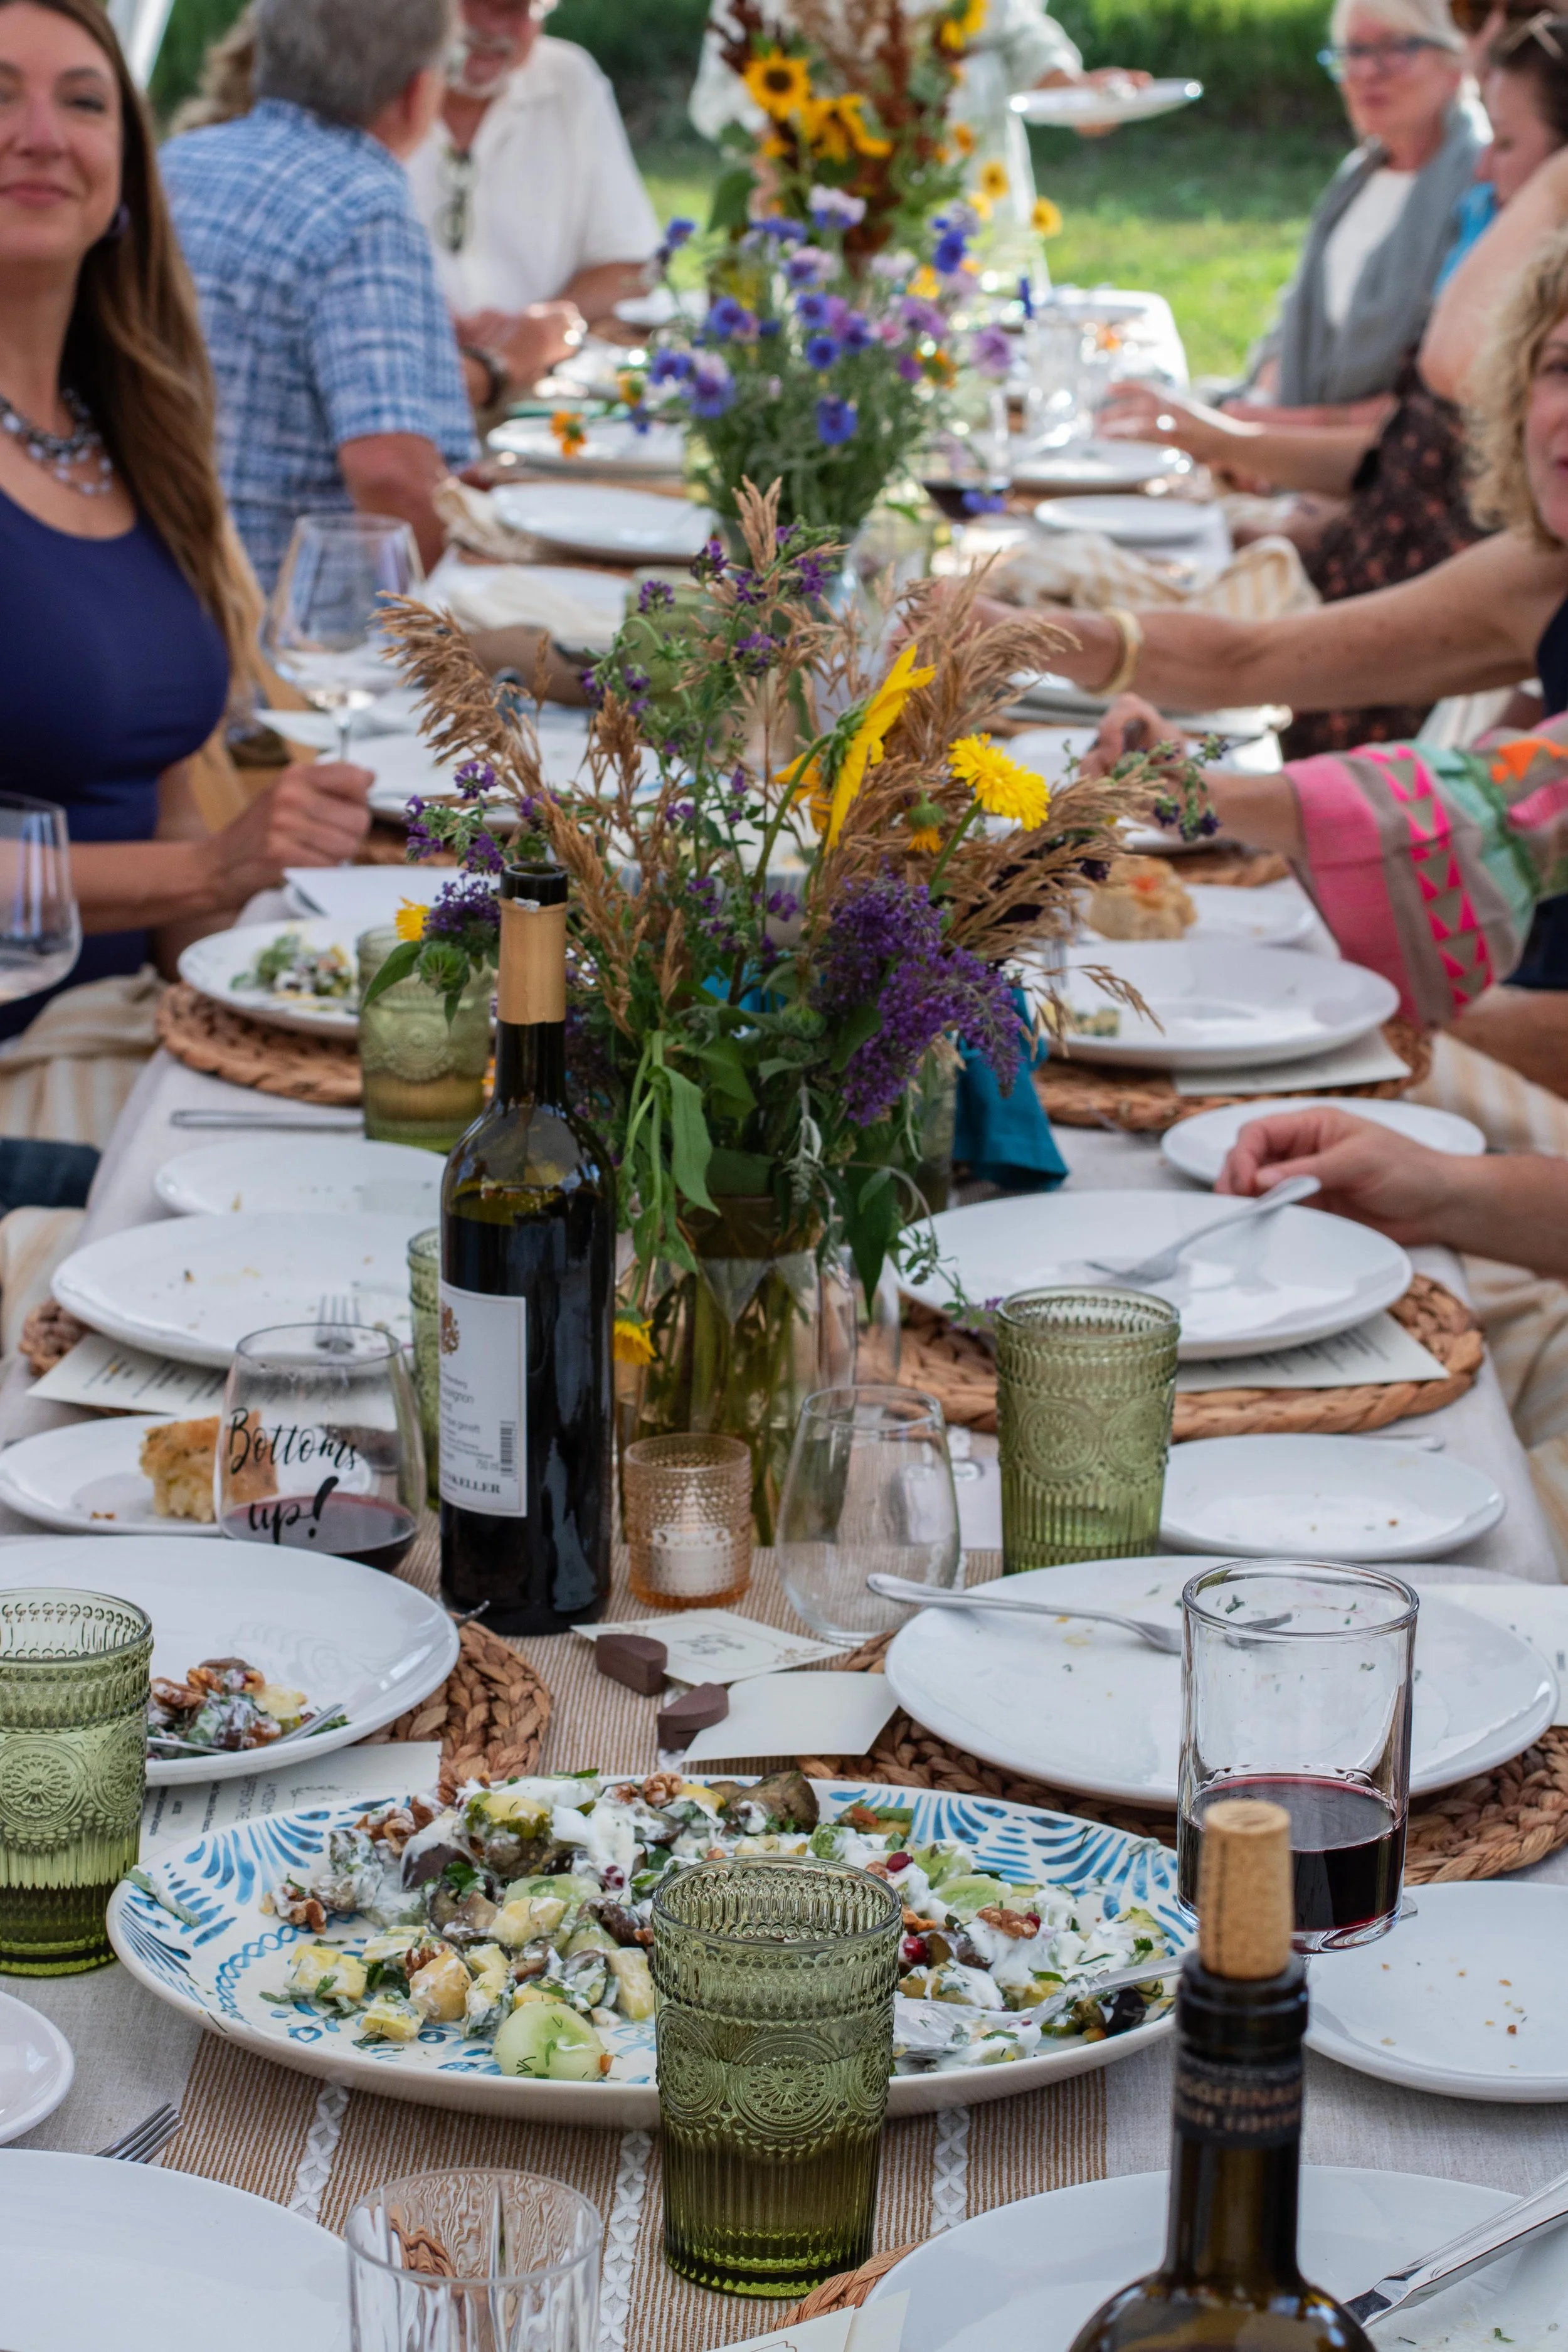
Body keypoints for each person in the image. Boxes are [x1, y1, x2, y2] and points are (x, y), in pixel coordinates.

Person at [0, 0, 372, 1044]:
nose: (39, 133)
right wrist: (216, 864)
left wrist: (286, 982)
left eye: (83, 103)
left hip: (129, 1033)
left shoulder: (137, 439)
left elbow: (170, 814)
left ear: (123, 180)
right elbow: (195, 855)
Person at [1094, 16, 1568, 755]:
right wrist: (1222, 436)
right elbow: (1399, 453)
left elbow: (1442, 379)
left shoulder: (1498, 240)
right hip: (1364, 580)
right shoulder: (1368, 180)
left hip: (1393, 634)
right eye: (1351, 53)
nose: (1485, 165)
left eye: (1507, 144)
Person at [160, 0, 477, 590]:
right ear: (416, 93)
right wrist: (439, 637)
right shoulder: (363, 204)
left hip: (161, 594)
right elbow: (389, 472)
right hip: (292, 637)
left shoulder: (177, 163)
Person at [689, 0, 1148, 226]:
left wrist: (1074, 91)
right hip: (827, 182)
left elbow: (1015, 31)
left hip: (970, 180)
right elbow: (727, 82)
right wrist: (776, 159)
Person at [405, 0, 660, 404]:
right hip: (399, 398)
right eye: (486, 6)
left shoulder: (568, 78)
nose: (504, 28)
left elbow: (631, 268)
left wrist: (534, 336)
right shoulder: (367, 87)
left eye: (528, 9)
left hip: (543, 411)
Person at [1242, 0, 1480, 410]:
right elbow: (1298, 321)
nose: (1368, 71)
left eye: (1397, 48)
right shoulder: (1359, 175)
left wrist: (1260, 438)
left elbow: (1437, 391)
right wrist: (1259, 403)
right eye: (1354, 52)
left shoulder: (1481, 184)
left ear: (1454, 64)